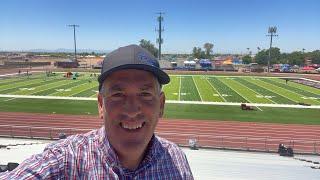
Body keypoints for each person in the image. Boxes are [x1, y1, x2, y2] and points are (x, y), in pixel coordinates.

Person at [0, 44, 194, 179]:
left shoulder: (176, 161)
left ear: (161, 105)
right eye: (118, 94)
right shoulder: (66, 160)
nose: (133, 109)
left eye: (145, 94)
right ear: (101, 104)